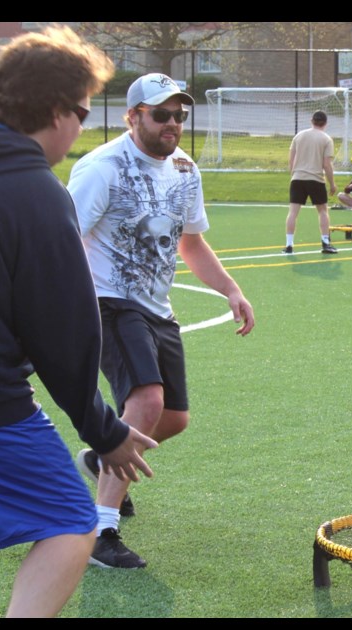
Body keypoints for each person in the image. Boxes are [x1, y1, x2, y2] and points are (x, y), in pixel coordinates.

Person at [0, 25, 155, 618]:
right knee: (68, 522)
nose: (80, 128)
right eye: (82, 112)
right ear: (57, 111)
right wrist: (103, 431)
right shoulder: (32, 190)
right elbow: (63, 331)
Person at [67, 72, 255, 570]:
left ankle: (102, 454)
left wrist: (231, 289)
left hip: (156, 306)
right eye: (161, 114)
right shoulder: (101, 168)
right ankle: (100, 531)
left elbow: (190, 243)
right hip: (106, 300)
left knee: (172, 418)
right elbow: (62, 242)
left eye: (180, 114)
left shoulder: (185, 169)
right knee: (147, 400)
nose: (173, 123)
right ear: (133, 117)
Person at [284, 110, 339, 254]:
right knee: (322, 211)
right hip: (316, 179)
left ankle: (289, 245)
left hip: (298, 178)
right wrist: (332, 183)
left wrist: (294, 174)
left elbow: (291, 160)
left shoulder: (299, 136)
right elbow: (326, 164)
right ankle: (326, 243)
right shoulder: (326, 139)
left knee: (293, 212)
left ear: (311, 121)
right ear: (325, 123)